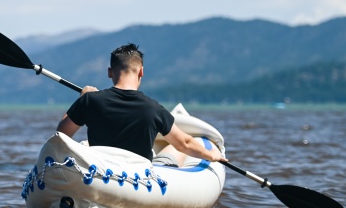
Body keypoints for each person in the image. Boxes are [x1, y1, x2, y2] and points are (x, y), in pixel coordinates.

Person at [55, 43, 227, 167]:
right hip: (139, 178)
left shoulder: (90, 101)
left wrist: (83, 98)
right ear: (141, 72)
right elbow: (185, 143)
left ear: (110, 72)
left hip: (100, 170)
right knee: (173, 148)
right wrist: (212, 154)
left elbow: (62, 134)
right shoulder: (154, 109)